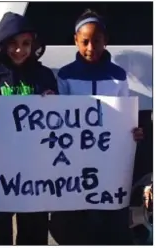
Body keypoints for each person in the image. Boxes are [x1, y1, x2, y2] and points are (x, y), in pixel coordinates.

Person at [50, 9, 143, 245]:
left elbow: (125, 115)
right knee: (76, 213)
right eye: (85, 41)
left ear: (106, 41)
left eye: (97, 41)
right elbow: (60, 116)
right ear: (75, 41)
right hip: (75, 157)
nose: (91, 47)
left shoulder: (118, 76)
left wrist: (134, 131)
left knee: (106, 215)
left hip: (108, 158)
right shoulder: (66, 75)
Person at [0, 12, 58, 245]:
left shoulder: (44, 76)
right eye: (12, 43)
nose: (19, 50)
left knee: (34, 228)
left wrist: (52, 103)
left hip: (34, 167)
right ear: (1, 44)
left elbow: (58, 118)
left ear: (34, 45)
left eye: (25, 44)